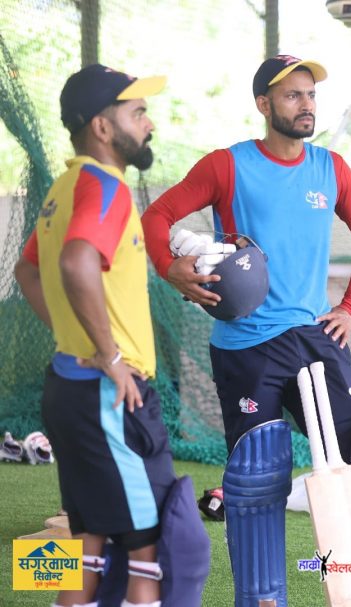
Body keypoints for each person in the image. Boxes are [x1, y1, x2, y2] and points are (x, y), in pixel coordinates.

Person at [140, 55, 351, 607]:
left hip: (313, 336)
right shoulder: (226, 166)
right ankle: (262, 600)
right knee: (258, 476)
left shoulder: (330, 168)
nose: (306, 104)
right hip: (245, 344)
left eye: (310, 95)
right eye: (292, 95)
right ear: (264, 104)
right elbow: (156, 217)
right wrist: (170, 269)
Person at [13, 64, 192, 607]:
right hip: (111, 392)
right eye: (138, 113)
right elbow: (75, 262)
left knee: (87, 542)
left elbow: (27, 271)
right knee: (152, 548)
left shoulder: (64, 187)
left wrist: (76, 337)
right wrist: (109, 355)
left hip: (70, 386)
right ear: (102, 127)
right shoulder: (107, 187)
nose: (149, 123)